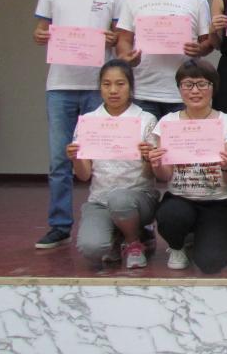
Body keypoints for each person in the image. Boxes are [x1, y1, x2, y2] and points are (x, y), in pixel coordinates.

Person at [32, 0, 125, 249]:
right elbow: (40, 30)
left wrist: (113, 38)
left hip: (101, 87)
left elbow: (120, 35)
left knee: (105, 158)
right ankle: (59, 225)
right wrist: (41, 35)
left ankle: (112, 222)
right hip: (60, 86)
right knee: (61, 160)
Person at [147, 59, 227, 274]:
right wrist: (157, 164)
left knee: (211, 263)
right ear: (179, 88)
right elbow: (164, 176)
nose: (195, 91)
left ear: (213, 88)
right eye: (188, 85)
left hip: (218, 200)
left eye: (202, 84)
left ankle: (201, 236)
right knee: (171, 217)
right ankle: (177, 245)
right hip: (180, 198)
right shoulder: (168, 122)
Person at [66, 59, 159, 268]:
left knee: (120, 200)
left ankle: (134, 242)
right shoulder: (89, 121)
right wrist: (76, 157)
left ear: (131, 86)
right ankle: (118, 237)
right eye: (106, 84)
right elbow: (84, 175)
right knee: (92, 248)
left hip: (138, 198)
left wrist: (148, 158)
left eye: (120, 84)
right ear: (99, 87)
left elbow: (150, 175)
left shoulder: (146, 119)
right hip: (100, 200)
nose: (113, 90)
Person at [116, 0, 213, 120]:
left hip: (184, 91)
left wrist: (199, 49)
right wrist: (127, 57)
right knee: (143, 140)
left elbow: (207, 42)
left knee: (181, 140)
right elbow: (124, 39)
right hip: (142, 90)